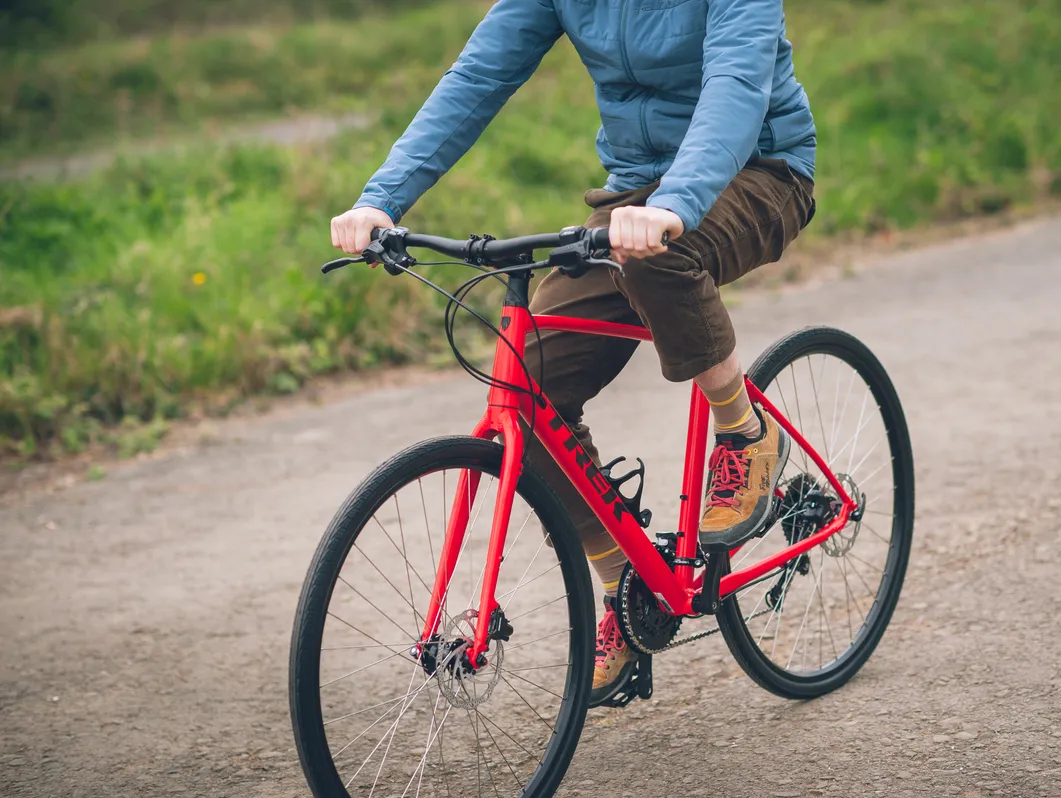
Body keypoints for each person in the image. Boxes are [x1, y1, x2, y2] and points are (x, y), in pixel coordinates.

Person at [330, 0, 816, 705]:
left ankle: (746, 428)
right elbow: (477, 78)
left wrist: (674, 205)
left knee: (659, 263)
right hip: (634, 200)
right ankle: (626, 584)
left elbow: (737, 87)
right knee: (527, 385)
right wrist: (383, 199)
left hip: (758, 171)